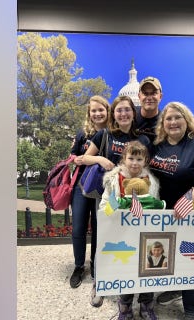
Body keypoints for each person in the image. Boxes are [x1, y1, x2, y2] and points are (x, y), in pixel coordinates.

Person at [137, 76, 194, 307]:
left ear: (186, 120)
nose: (173, 122)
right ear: (162, 123)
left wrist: (190, 196)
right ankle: (174, 288)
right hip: (166, 212)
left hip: (193, 210)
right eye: (168, 118)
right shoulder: (157, 146)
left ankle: (193, 307)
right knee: (169, 253)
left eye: (177, 118)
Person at [82, 95, 150, 308]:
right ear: (114, 114)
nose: (123, 114)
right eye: (119, 110)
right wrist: (100, 158)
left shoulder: (143, 139)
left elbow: (149, 164)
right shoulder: (105, 134)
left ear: (133, 113)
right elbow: (84, 158)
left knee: (131, 240)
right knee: (104, 238)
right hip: (108, 195)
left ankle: (128, 283)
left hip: (134, 197)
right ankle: (100, 283)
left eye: (127, 110)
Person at [98, 141, 160, 319]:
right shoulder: (113, 180)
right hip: (122, 233)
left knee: (148, 270)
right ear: (124, 159)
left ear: (145, 161)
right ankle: (125, 306)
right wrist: (115, 209)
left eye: (139, 159)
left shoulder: (151, 182)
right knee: (125, 270)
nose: (134, 163)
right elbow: (104, 206)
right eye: (131, 158)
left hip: (144, 234)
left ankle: (146, 305)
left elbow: (155, 206)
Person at [69, 95, 110, 290]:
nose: (97, 113)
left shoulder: (113, 134)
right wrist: (98, 159)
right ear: (89, 113)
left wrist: (90, 159)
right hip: (81, 186)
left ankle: (96, 263)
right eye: (93, 110)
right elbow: (75, 157)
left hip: (103, 189)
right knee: (78, 227)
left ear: (107, 111)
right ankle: (79, 266)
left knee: (98, 228)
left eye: (101, 109)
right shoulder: (82, 134)